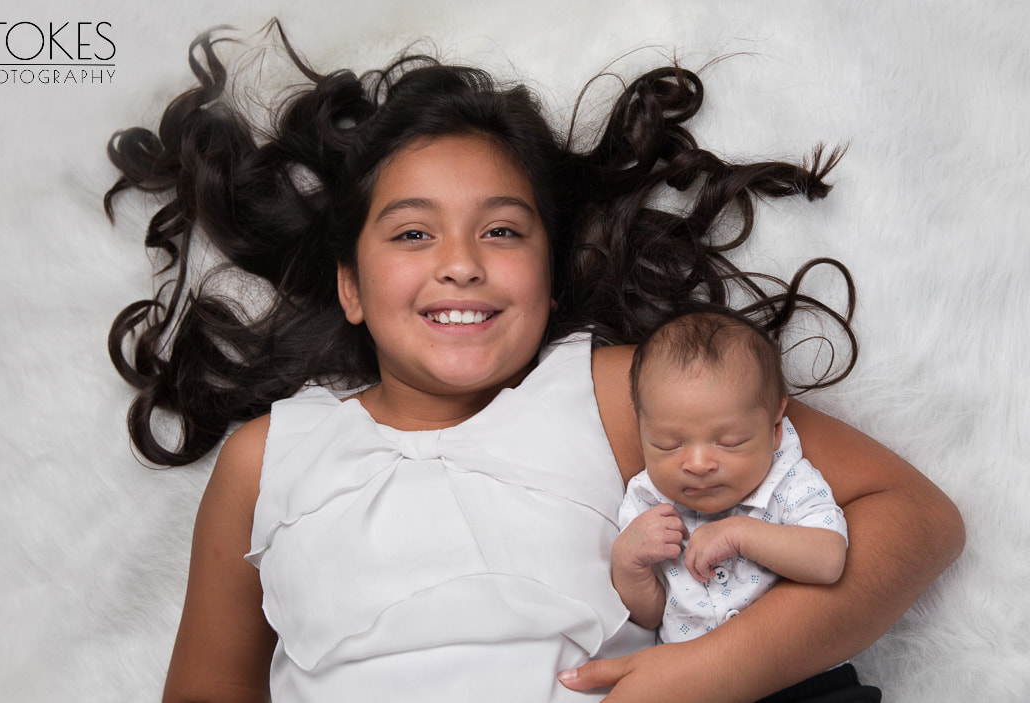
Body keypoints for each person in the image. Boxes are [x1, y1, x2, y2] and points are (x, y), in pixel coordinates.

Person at [104, 21, 963, 703]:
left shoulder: (614, 391)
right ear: (351, 287)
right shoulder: (267, 457)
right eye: (411, 232)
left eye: (503, 230)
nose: (461, 261)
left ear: (550, 282)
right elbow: (210, 688)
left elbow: (914, 518)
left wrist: (713, 673)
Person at [613, 308, 880, 701]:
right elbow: (650, 616)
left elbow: (828, 561)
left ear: (774, 430)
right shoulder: (646, 499)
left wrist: (741, 534)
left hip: (803, 681)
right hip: (699, 689)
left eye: (730, 441)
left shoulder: (789, 483)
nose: (698, 464)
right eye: (668, 444)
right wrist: (628, 564)